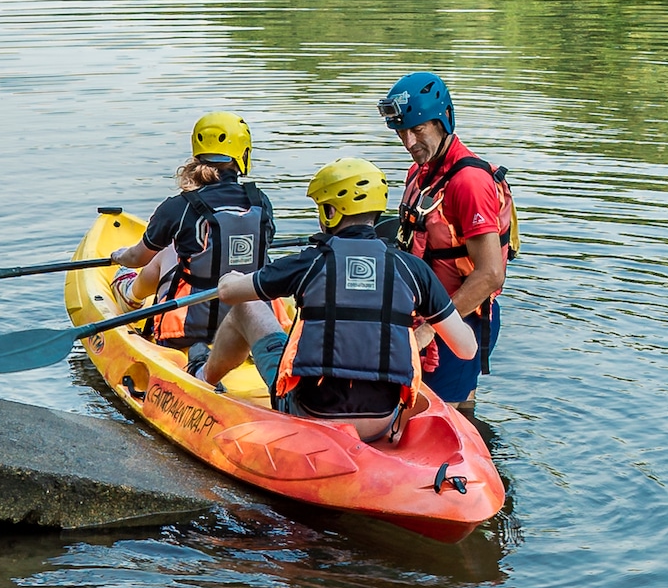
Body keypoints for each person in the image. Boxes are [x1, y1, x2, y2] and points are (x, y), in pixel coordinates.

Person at [195, 158, 477, 442]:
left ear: (330, 212)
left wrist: (229, 277)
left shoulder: (309, 262)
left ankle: (202, 378)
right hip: (382, 421)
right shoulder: (413, 269)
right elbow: (466, 349)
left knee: (247, 305)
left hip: (311, 413)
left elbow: (230, 293)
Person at [377, 72, 518, 409]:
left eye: (418, 130)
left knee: (438, 423)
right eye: (402, 132)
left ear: (442, 121)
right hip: (426, 316)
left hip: (459, 320)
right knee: (458, 414)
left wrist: (431, 329)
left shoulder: (468, 182)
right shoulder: (421, 173)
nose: (409, 143)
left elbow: (490, 274)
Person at [105, 111, 275, 351]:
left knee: (170, 249)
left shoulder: (179, 207)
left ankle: (130, 294)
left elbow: (136, 259)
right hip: (254, 326)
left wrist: (118, 256)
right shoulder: (261, 203)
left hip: (188, 331)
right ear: (243, 154)